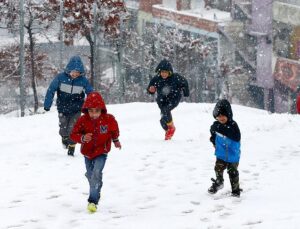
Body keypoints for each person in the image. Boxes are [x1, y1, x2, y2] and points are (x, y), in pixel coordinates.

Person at [70, 91, 121, 213]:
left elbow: (114, 130)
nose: (93, 114)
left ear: (102, 110)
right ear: (86, 110)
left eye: (96, 111)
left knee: (96, 172)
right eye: (91, 111)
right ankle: (96, 184)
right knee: (91, 174)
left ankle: (92, 201)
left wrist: (116, 140)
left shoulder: (108, 119)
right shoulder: (83, 120)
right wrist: (82, 138)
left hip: (101, 151)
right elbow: (73, 134)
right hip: (87, 153)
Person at [44, 56, 93, 156]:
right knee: (63, 128)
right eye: (73, 72)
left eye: (77, 72)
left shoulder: (83, 80)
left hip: (77, 109)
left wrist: (92, 106)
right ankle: (64, 138)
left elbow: (91, 93)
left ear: (81, 72)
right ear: (68, 70)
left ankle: (72, 147)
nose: (75, 74)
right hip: (63, 107)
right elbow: (51, 90)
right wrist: (47, 104)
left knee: (73, 128)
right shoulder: (60, 78)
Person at [147, 59, 189, 140]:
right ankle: (169, 129)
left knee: (166, 111)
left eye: (165, 72)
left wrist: (185, 92)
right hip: (162, 100)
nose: (163, 74)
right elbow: (150, 88)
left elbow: (185, 82)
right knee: (163, 120)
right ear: (159, 72)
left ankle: (171, 129)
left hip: (174, 98)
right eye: (162, 72)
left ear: (169, 72)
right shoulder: (156, 79)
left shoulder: (176, 77)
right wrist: (150, 90)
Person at [208, 99, 242, 197]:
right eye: (218, 116)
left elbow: (236, 136)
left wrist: (220, 129)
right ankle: (219, 182)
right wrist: (213, 140)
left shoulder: (233, 125)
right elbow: (213, 133)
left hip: (232, 154)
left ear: (228, 114)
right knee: (218, 168)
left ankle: (235, 190)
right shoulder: (216, 125)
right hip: (221, 154)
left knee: (233, 172)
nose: (221, 118)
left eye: (223, 115)